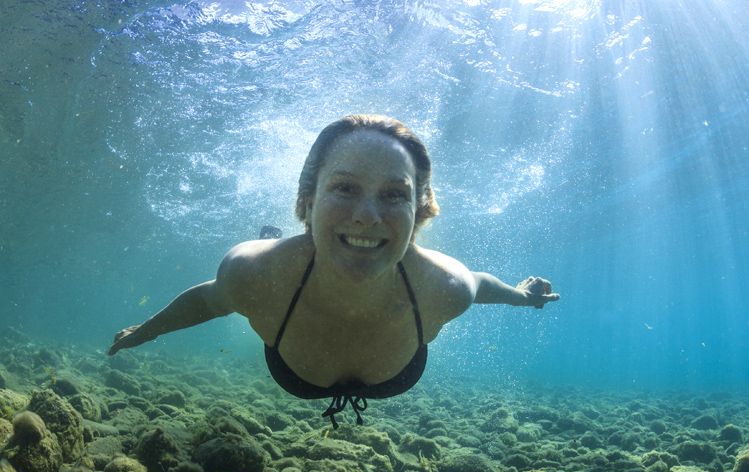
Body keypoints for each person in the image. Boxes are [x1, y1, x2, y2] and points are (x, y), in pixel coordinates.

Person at [108, 114, 560, 428]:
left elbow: (479, 285)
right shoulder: (255, 273)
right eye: (344, 187)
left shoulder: (443, 286)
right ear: (307, 200)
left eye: (393, 195)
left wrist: (525, 296)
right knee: (273, 252)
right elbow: (210, 300)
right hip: (285, 263)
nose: (367, 215)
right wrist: (142, 333)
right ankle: (280, 233)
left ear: (419, 212)